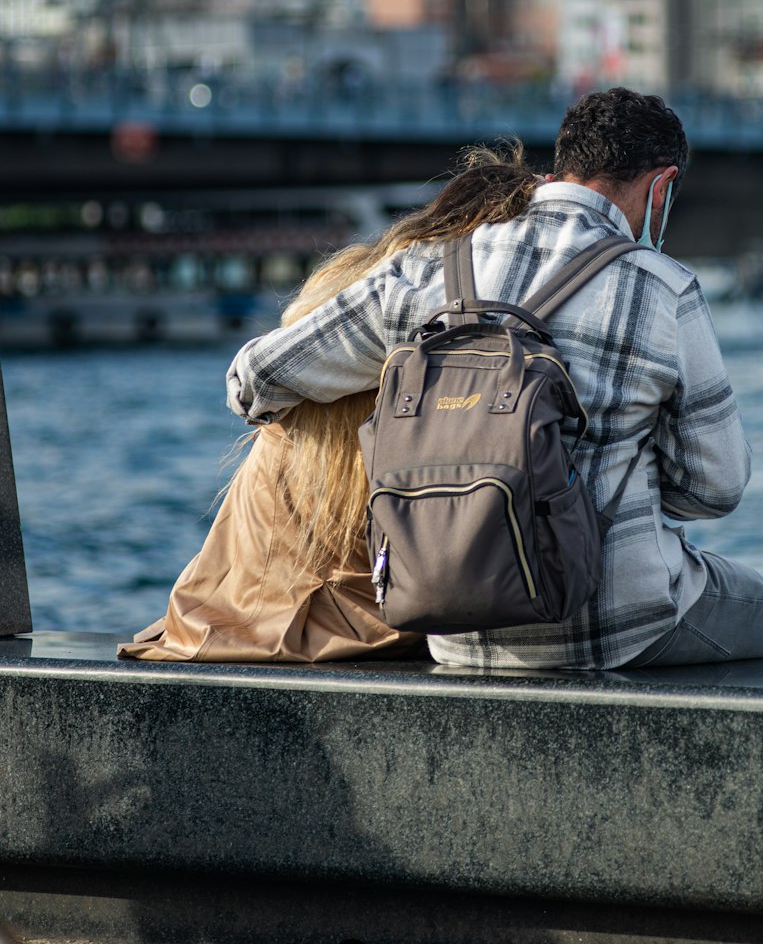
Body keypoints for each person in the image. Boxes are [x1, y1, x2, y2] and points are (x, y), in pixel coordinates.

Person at [226, 87, 763, 671]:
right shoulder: (662, 288)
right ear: (660, 187)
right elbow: (714, 489)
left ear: (562, 165)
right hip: (620, 626)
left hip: (449, 628)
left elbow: (256, 376)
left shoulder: (434, 263)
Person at [119, 145, 539, 664]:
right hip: (386, 627)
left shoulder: (347, 303)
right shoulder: (442, 350)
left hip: (240, 623)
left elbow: (251, 380)